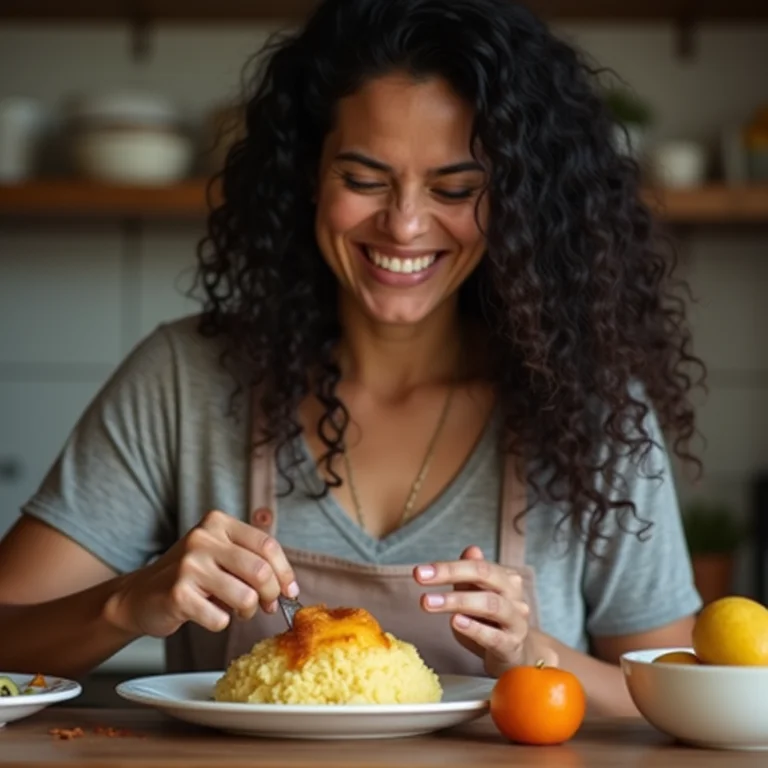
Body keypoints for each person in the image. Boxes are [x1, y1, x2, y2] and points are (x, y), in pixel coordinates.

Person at [0, 0, 704, 716]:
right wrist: (126, 602)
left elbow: (679, 704)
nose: (403, 224)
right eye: (365, 180)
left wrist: (538, 655)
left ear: (518, 202)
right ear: (309, 175)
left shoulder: (589, 408)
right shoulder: (184, 378)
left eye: (455, 189)